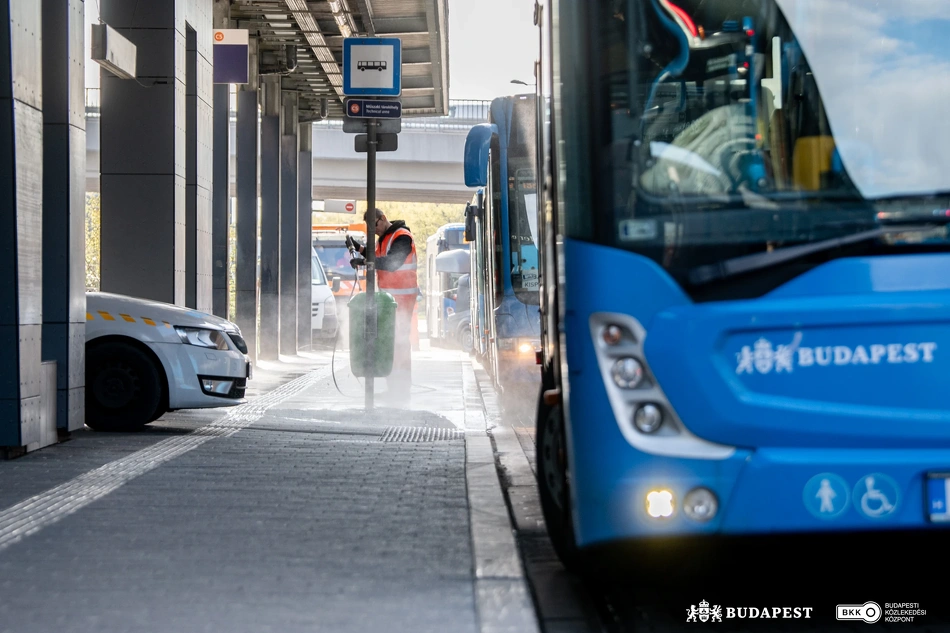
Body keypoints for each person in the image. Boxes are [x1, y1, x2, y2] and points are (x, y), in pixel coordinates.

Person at [346, 208, 418, 397]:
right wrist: (359, 249)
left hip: (402, 298)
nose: (374, 230)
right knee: (389, 341)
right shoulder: (385, 238)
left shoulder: (402, 237)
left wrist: (363, 262)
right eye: (370, 228)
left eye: (375, 225)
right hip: (390, 300)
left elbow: (391, 263)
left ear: (383, 218)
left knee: (399, 342)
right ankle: (394, 386)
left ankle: (401, 387)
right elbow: (378, 257)